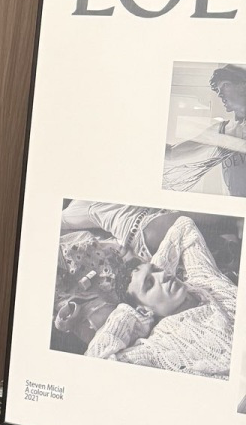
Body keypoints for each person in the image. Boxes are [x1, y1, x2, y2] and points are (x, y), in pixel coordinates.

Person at [68, 202, 239, 377]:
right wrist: (130, 312)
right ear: (143, 310)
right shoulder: (159, 347)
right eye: (149, 284)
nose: (162, 275)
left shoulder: (202, 277)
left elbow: (184, 225)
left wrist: (156, 268)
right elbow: (95, 368)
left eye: (157, 271)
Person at [163, 64, 246, 196]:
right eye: (218, 90)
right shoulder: (220, 130)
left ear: (242, 86)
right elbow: (172, 153)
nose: (220, 94)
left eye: (225, 85)